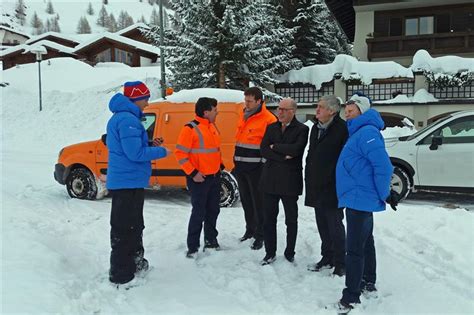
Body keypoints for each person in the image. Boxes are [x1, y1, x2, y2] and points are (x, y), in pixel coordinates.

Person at [335, 93, 398, 312]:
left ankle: (350, 297)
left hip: (359, 198)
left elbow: (383, 167)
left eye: (351, 110)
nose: (347, 113)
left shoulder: (367, 133)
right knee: (365, 241)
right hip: (357, 197)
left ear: (362, 111)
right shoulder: (359, 131)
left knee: (353, 249)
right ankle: (368, 280)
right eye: (346, 110)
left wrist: (385, 193)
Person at [106, 81, 168, 285]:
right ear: (136, 98)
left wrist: (150, 143)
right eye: (146, 99)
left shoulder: (128, 118)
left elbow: (131, 147)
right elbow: (135, 154)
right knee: (125, 229)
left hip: (130, 181)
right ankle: (121, 274)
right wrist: (161, 152)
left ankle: (135, 263)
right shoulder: (127, 121)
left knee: (134, 225)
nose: (147, 103)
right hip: (126, 182)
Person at [259, 98, 309, 265]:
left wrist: (275, 147)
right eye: (279, 109)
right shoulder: (271, 127)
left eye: (283, 109)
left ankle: (289, 252)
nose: (279, 112)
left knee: (291, 220)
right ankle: (270, 252)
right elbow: (264, 150)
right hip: (270, 181)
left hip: (289, 182)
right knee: (268, 219)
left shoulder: (302, 129)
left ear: (292, 111)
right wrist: (282, 154)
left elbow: (296, 150)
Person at [305, 95, 348, 277]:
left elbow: (343, 160)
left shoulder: (341, 129)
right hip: (316, 185)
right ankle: (327, 257)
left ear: (332, 111)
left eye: (321, 107)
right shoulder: (315, 128)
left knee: (335, 226)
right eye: (317, 106)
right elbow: (312, 154)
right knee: (322, 224)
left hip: (332, 186)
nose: (317, 110)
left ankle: (341, 263)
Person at [175, 97, 223, 258]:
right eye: (215, 110)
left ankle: (211, 241)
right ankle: (193, 247)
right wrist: (193, 173)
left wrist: (220, 166)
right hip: (199, 179)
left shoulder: (212, 127)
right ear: (206, 112)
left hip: (214, 177)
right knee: (199, 213)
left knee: (213, 211)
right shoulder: (189, 129)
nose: (217, 112)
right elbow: (180, 154)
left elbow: (214, 150)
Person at [234, 87, 277, 250]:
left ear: (259, 101)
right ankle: (250, 230)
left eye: (249, 101)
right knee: (246, 202)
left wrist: (264, 165)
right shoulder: (243, 115)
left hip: (257, 169)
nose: (246, 103)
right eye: (245, 100)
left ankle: (261, 235)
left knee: (259, 203)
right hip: (241, 167)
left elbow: (271, 145)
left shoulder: (268, 119)